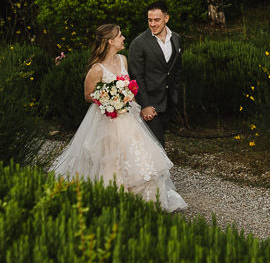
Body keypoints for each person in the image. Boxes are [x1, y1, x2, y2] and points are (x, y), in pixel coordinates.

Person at [49, 23, 186, 212]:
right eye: (119, 36)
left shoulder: (123, 60)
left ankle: (142, 199)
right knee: (110, 159)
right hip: (107, 119)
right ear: (110, 41)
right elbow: (88, 95)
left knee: (138, 156)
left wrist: (126, 93)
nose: (123, 38)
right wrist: (108, 97)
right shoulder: (96, 69)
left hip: (128, 116)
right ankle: (112, 197)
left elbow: (129, 85)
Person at [127, 1, 182, 148]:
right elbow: (136, 76)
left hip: (169, 101)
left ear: (166, 18)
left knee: (155, 143)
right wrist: (145, 105)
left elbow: (176, 69)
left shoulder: (176, 38)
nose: (153, 24)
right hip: (149, 103)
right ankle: (161, 172)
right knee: (157, 145)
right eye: (149, 20)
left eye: (157, 20)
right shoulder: (138, 43)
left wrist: (175, 95)